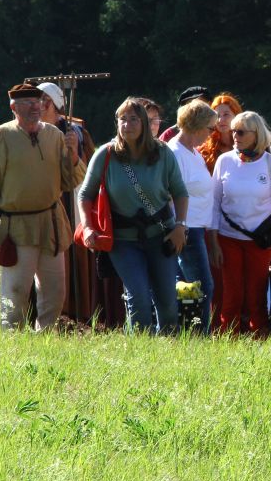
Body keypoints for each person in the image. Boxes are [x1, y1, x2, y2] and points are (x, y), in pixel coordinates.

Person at [0, 83, 85, 330]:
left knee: (55, 290)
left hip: (51, 223)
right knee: (15, 290)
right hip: (16, 226)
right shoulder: (1, 136)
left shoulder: (55, 135)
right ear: (14, 107)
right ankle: (12, 339)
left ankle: (46, 337)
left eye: (38, 102)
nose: (36, 107)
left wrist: (73, 155)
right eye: (28, 103)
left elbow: (70, 181)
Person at [79, 97, 189, 334]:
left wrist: (180, 226)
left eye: (133, 119)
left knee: (168, 302)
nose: (127, 124)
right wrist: (88, 227)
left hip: (161, 236)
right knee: (138, 298)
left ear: (145, 124)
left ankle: (169, 348)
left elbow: (180, 192)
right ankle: (141, 349)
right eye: (122, 119)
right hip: (123, 241)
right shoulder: (105, 154)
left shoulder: (163, 153)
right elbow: (85, 195)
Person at [209, 111, 271, 336]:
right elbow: (214, 203)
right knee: (232, 293)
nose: (235, 136)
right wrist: (213, 242)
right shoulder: (225, 160)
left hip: (260, 241)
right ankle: (228, 337)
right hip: (228, 238)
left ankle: (259, 336)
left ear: (257, 134)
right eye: (233, 131)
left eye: (241, 132)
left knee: (256, 293)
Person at [35, 81, 103, 326]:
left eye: (45, 101)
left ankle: (77, 314)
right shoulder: (31, 132)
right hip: (40, 204)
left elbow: (89, 172)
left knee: (74, 259)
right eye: (37, 101)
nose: (39, 106)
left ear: (56, 105)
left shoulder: (76, 133)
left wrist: (74, 154)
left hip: (69, 201)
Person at [168, 100, 219, 330]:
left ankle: (187, 332)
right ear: (197, 126)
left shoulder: (193, 152)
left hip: (195, 228)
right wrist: (180, 226)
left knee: (186, 287)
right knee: (202, 287)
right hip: (186, 229)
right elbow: (171, 194)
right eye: (210, 128)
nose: (212, 133)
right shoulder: (175, 153)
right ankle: (199, 334)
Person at [198, 93, 243, 172]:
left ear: (236, 115)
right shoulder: (204, 150)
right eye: (217, 116)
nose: (220, 120)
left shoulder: (247, 145)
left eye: (226, 114)